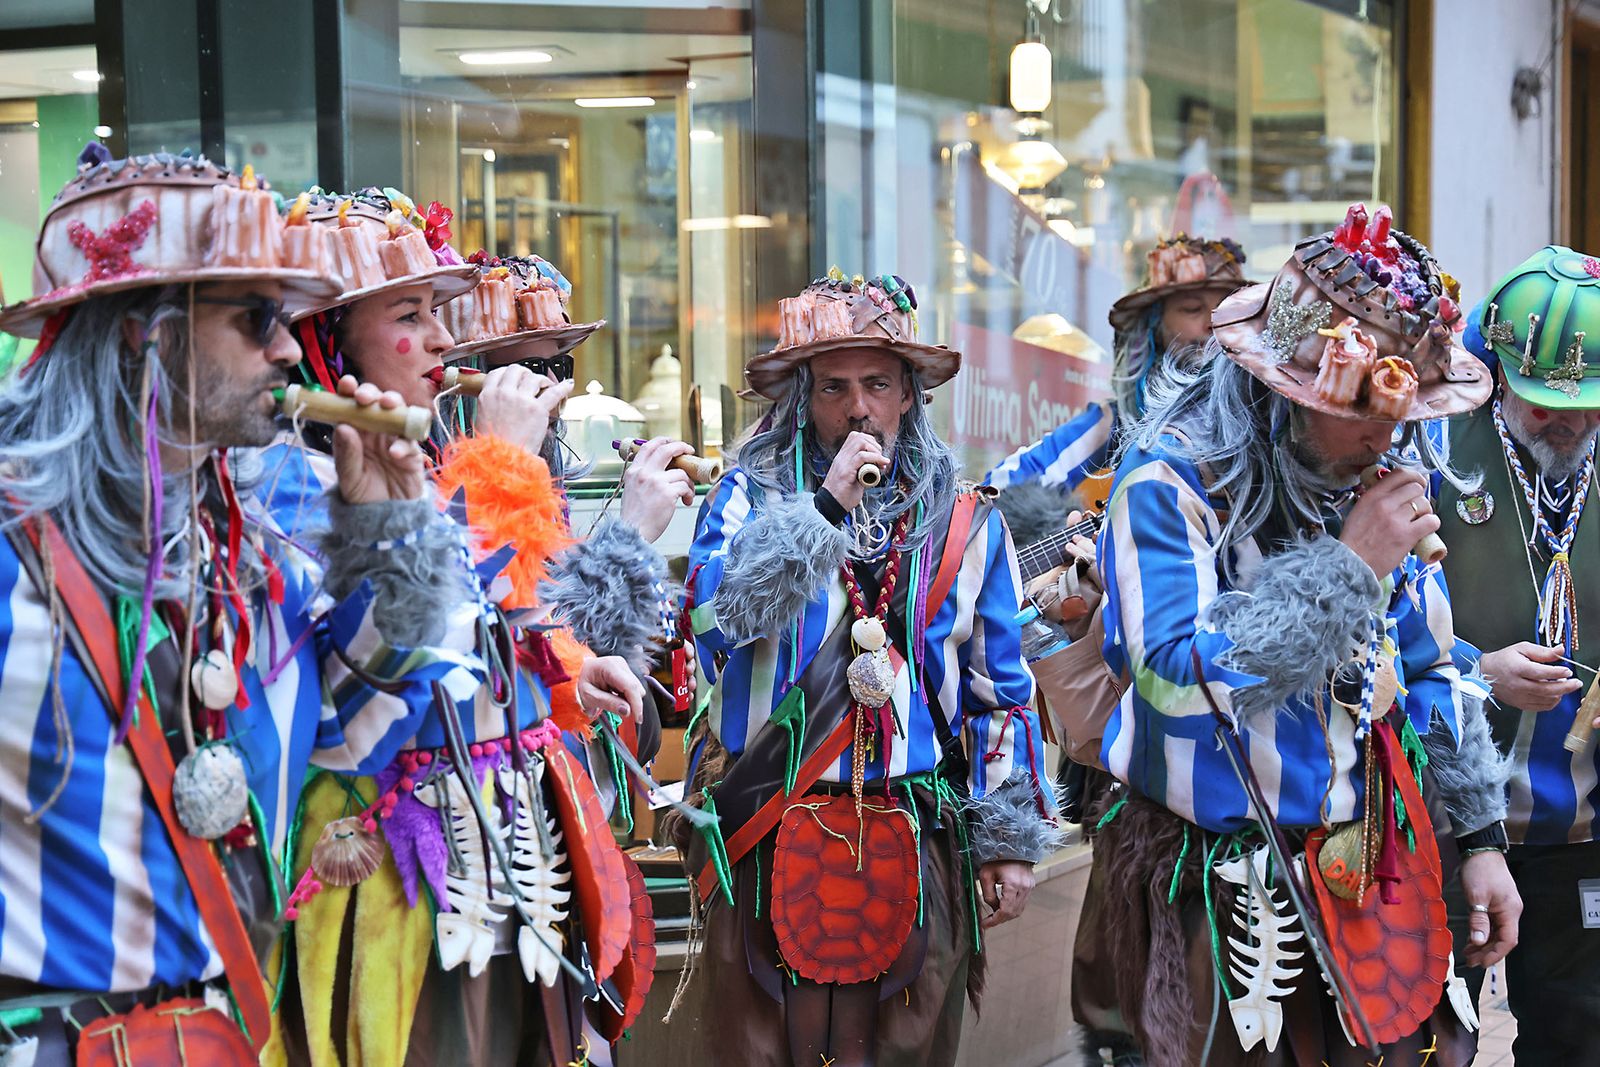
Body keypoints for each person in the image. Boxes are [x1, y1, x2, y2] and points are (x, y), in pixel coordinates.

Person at [0, 148, 481, 1063]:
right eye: (257, 317)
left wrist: (388, 538)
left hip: (222, 1036)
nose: (291, 350)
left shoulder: (248, 552)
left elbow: (358, 737)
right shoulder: (9, 549)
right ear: (151, 332)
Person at [1070, 207, 1517, 1066]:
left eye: (1405, 412)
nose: (1389, 437)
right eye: (1362, 412)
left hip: (1372, 881)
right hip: (1211, 889)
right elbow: (1169, 675)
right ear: (1281, 389)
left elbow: (1428, 674)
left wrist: (1483, 840)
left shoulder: (1377, 482)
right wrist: (1348, 569)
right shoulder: (1168, 485)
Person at [258, 194, 674, 1064]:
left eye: (442, 313)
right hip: (400, 878)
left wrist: (556, 677)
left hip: (494, 859)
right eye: (411, 314)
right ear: (326, 339)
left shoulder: (394, 463)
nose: (444, 342)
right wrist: (504, 464)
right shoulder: (289, 484)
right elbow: (400, 690)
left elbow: (486, 632)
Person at [677, 270, 1060, 1067]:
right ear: (802, 400)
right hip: (767, 829)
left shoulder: (967, 522)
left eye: (878, 384)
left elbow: (1001, 691)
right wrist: (821, 510)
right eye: (835, 388)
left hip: (915, 836)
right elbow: (714, 627)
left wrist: (1008, 840)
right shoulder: (745, 499)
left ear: (911, 394)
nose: (858, 408)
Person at [1434, 245, 1600, 1062]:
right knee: (1430, 1043)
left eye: (1588, 406)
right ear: (1497, 373)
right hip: (1441, 825)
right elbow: (1377, 625)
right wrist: (1480, 670)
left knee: (1579, 1041)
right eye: (1541, 403)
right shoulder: (1432, 446)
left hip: (1581, 832)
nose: (1566, 421)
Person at [985, 233, 1247, 497]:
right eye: (1192, 309)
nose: (1214, 323)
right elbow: (1002, 486)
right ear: (1155, 327)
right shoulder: (1125, 417)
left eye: (1228, 308)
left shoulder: (1269, 408)